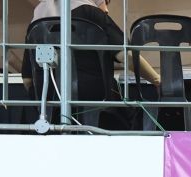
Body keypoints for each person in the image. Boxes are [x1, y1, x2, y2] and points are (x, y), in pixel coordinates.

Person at [23, 0, 159, 125]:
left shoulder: (34, 24)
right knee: (137, 105)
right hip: (95, 99)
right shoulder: (91, 12)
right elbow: (127, 56)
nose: (106, 10)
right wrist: (157, 80)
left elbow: (28, 80)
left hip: (47, 103)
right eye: (105, 2)